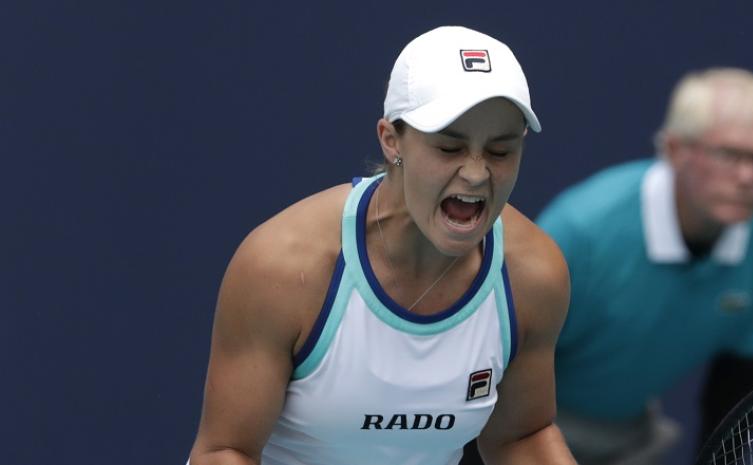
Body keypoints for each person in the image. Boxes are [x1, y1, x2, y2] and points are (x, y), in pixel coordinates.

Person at [187, 26, 576, 465]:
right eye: (449, 148)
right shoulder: (282, 268)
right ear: (392, 140)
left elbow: (521, 437)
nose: (475, 174)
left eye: (500, 152)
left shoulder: (533, 276)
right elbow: (225, 451)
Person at [535, 68, 753, 464]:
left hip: (629, 438)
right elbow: (496, 376)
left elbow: (737, 388)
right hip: (522, 427)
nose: (747, 176)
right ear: (675, 150)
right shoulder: (581, 232)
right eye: (729, 155)